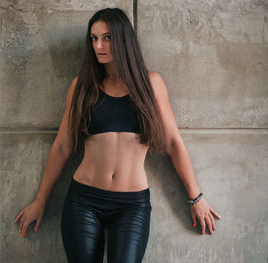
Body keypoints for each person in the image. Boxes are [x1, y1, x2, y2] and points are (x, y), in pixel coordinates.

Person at [15, 7, 222, 263]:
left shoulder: (151, 83)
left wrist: (196, 198)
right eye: (94, 38)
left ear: (123, 39)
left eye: (107, 37)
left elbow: (172, 143)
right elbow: (62, 147)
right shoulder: (81, 86)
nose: (99, 45)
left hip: (132, 206)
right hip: (84, 200)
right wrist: (40, 199)